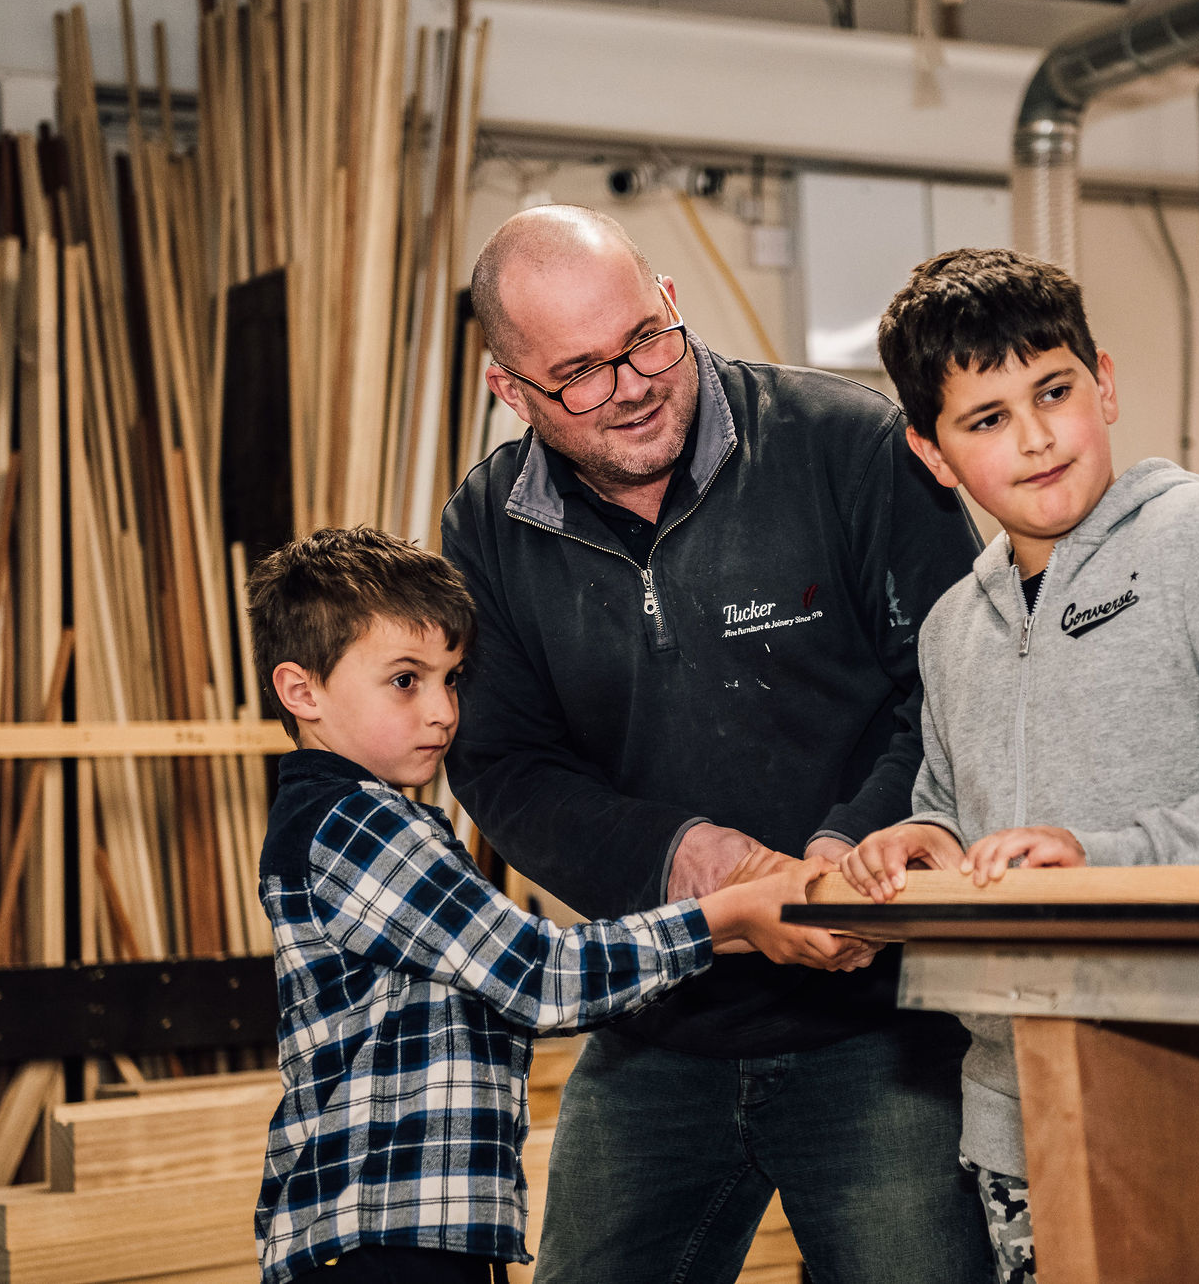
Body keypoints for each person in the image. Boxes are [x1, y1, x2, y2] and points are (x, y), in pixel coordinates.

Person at [441, 206, 993, 1284]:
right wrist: (712, 873)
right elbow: (504, 766)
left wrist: (844, 859)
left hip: (881, 1021)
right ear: (511, 394)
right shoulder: (486, 530)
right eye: (580, 375)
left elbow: (952, 691)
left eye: (646, 338)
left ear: (673, 303)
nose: (634, 383)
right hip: (658, 1020)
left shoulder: (846, 445)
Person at [840, 248, 1199, 1284]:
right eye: (984, 420)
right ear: (932, 454)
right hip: (1018, 1131)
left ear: (1100, 380)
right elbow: (952, 812)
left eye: (1052, 392)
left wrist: (1103, 859)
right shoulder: (949, 628)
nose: (1033, 436)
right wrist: (921, 844)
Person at [246, 526, 840, 1284]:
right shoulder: (358, 824)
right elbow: (537, 976)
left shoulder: (350, 819)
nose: (442, 712)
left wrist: (747, 923)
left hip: (407, 1235)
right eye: (405, 680)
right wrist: (730, 916)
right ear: (302, 691)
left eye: (452, 679)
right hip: (382, 1242)